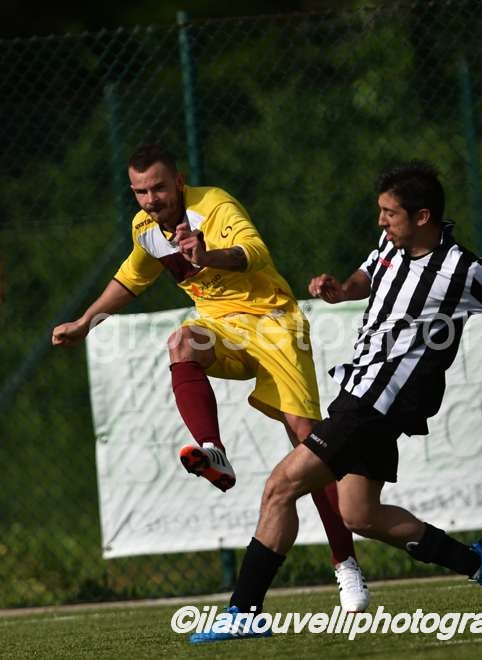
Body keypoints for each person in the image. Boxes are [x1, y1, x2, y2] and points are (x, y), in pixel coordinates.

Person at [190, 161, 482, 643]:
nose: (381, 221)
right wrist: (341, 291)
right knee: (360, 515)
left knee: (280, 487)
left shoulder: (464, 270)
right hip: (363, 396)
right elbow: (367, 276)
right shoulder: (391, 244)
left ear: (422, 216)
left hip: (373, 403)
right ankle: (476, 562)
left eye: (390, 213)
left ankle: (244, 611)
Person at [50, 144, 369, 611]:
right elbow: (130, 279)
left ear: (179, 181)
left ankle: (346, 562)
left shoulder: (213, 204)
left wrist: (207, 255)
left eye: (159, 188)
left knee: (308, 443)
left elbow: (253, 252)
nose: (151, 200)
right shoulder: (145, 229)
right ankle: (213, 450)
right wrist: (85, 322)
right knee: (181, 342)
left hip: (274, 322)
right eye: (140, 192)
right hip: (220, 326)